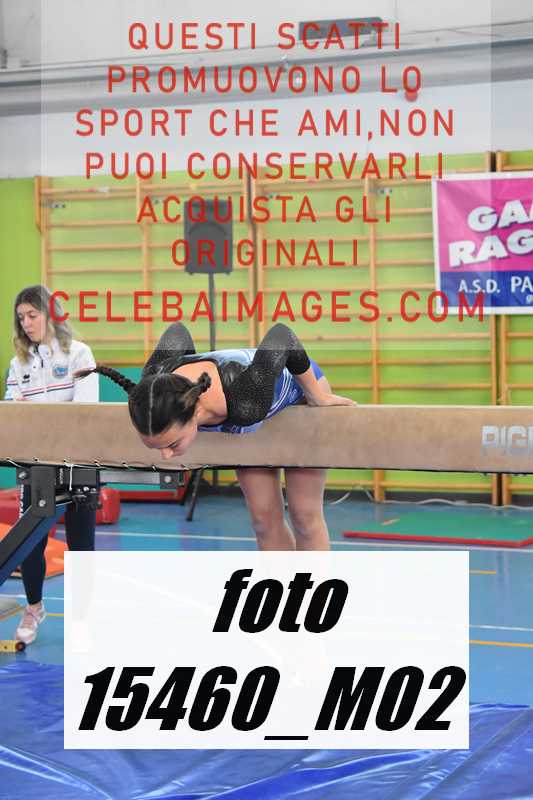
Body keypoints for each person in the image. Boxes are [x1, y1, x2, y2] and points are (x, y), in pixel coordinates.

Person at [76, 322, 355, 551]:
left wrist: (316, 396)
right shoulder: (153, 386)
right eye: (156, 447)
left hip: (294, 391)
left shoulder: (245, 402)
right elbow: (177, 332)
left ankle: (311, 599)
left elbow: (282, 337)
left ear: (195, 412)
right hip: (246, 394)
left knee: (304, 515)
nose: (166, 456)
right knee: (263, 520)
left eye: (172, 444)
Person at [4, 285, 99, 644]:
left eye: (32, 315)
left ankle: (83, 619)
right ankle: (34, 608)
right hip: (37, 467)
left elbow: (84, 413)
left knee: (81, 546)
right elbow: (13, 413)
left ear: (51, 314)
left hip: (79, 464)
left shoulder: (79, 354)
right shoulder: (19, 364)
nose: (26, 323)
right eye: (21, 317)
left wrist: (39, 419)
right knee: (30, 542)